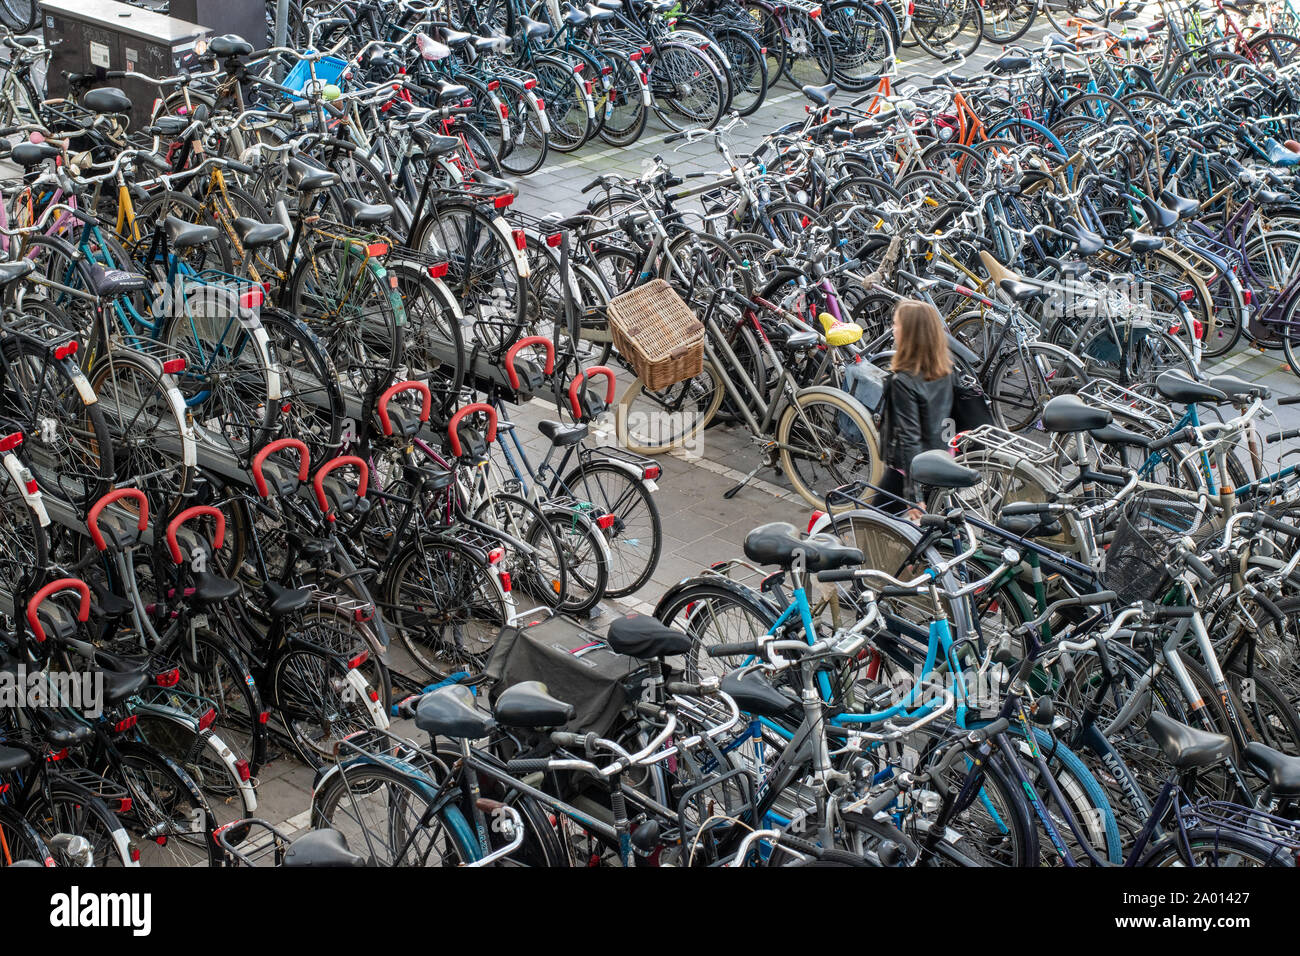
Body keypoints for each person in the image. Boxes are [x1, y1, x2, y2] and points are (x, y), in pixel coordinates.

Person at [874, 299, 953, 520]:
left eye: (896, 324)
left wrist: (913, 495)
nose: (893, 329)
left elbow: (909, 438)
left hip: (908, 471)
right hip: (941, 459)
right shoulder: (945, 368)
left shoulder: (904, 381)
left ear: (909, 333)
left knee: (873, 524)